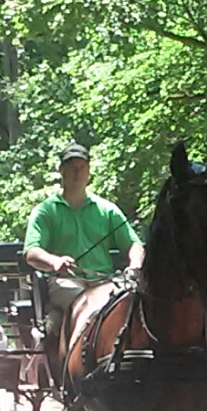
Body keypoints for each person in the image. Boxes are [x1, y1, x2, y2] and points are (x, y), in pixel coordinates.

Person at [23, 143, 144, 336]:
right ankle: (68, 362)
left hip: (105, 281)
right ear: (61, 170)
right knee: (85, 304)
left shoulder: (107, 210)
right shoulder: (45, 211)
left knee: (130, 307)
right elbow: (32, 252)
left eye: (82, 167)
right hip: (65, 282)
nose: (78, 172)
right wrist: (55, 261)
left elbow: (134, 244)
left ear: (89, 172)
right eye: (72, 167)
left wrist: (135, 265)